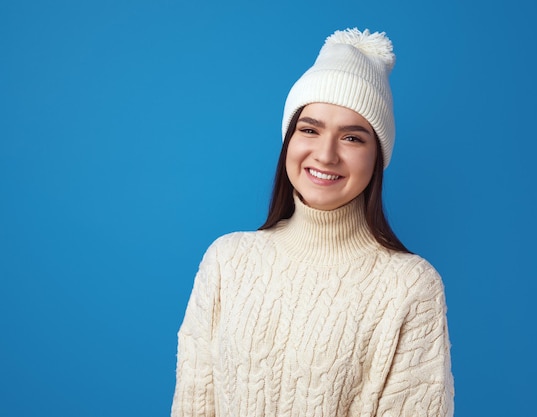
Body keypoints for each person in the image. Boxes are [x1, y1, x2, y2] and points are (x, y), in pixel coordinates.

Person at [171, 27, 454, 417]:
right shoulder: (227, 261)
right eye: (309, 130)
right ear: (289, 141)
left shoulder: (410, 286)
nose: (325, 155)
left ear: (377, 158)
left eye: (352, 138)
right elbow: (193, 404)